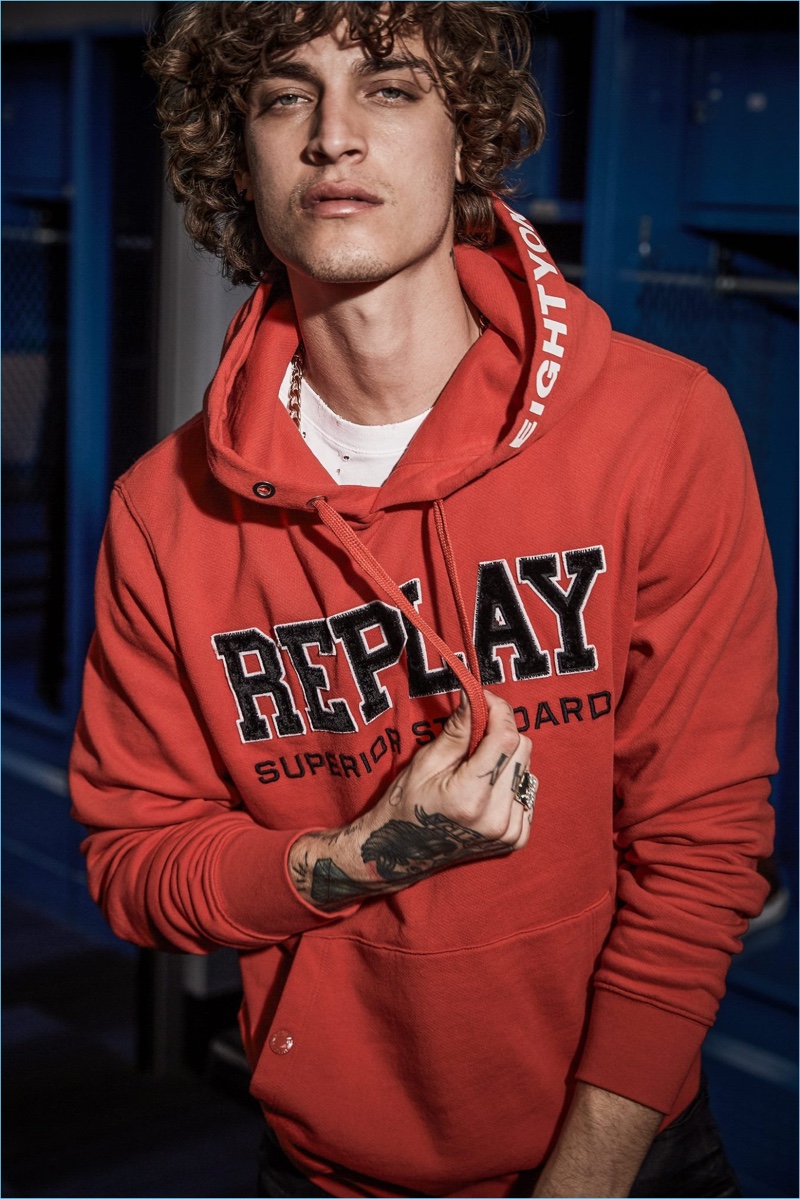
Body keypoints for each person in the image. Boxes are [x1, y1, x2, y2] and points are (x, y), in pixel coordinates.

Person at [69, 3, 779, 1196]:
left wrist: (586, 1175)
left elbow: (700, 846)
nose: (333, 134)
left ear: (467, 139)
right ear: (239, 155)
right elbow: (135, 864)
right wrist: (357, 855)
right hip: (327, 1166)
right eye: (285, 96)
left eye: (389, 86)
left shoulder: (659, 428)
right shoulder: (164, 511)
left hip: (623, 1151)